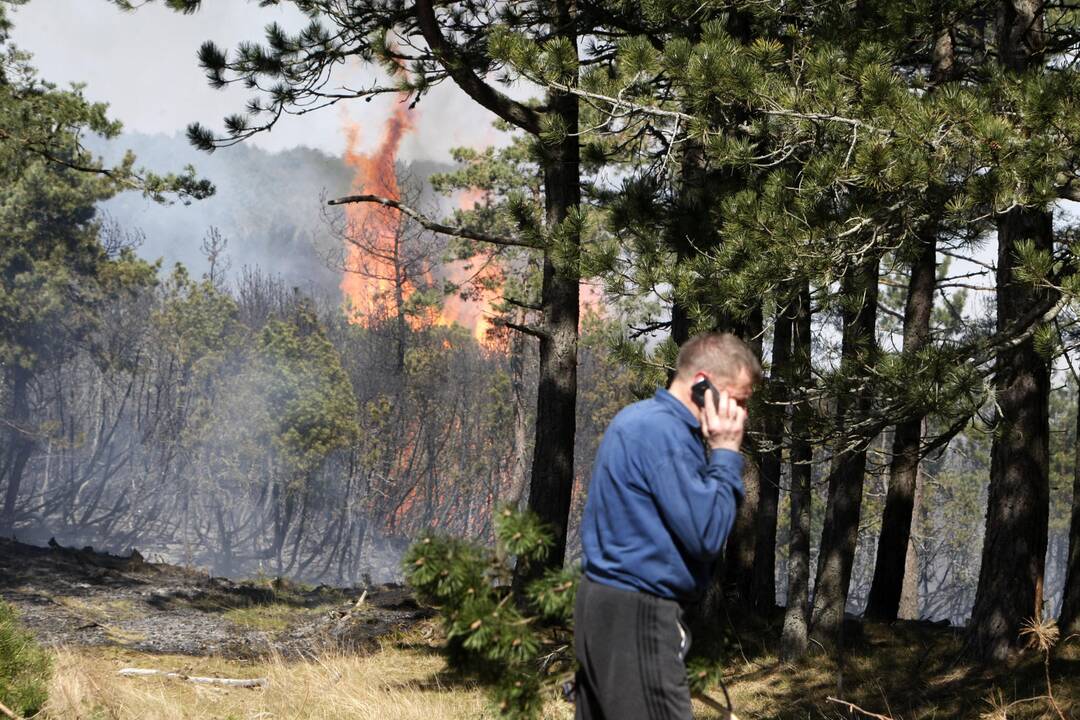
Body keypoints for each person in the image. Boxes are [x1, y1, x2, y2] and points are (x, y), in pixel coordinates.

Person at [573, 331, 761, 720]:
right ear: (701, 385)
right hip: (637, 613)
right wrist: (726, 453)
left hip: (606, 606)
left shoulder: (640, 420)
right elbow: (707, 534)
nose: (741, 415)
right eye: (737, 400)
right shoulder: (664, 434)